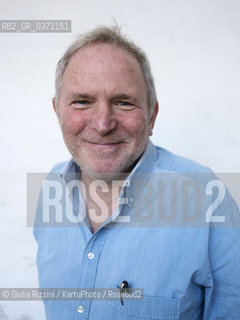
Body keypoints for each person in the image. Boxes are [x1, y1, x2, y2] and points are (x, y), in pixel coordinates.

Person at [34, 25, 240, 319]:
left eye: (123, 102)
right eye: (82, 101)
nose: (103, 124)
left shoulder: (207, 199)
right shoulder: (50, 188)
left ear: (152, 116)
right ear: (57, 112)